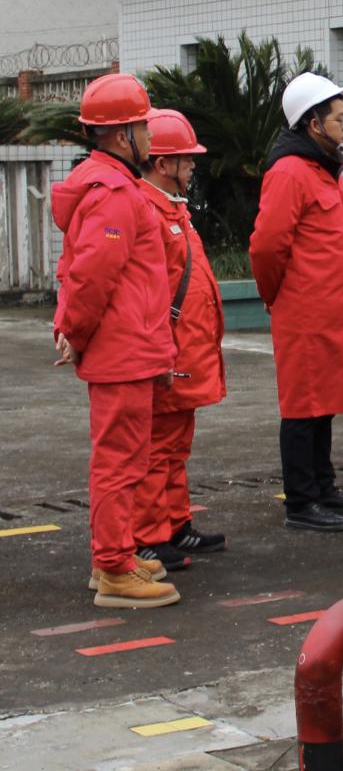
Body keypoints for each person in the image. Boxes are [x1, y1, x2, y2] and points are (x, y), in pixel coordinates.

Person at [52, 73, 179, 608]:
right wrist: (74, 331)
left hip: (126, 346)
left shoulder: (106, 184)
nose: (150, 136)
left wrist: (74, 330)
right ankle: (113, 568)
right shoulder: (115, 192)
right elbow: (91, 274)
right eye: (143, 126)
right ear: (123, 134)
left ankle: (116, 555)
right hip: (122, 349)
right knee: (120, 463)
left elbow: (86, 272)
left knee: (125, 459)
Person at [249, 72, 343, 531]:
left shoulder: (321, 169)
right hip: (304, 311)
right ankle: (301, 501)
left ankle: (323, 486)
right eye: (339, 118)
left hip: (330, 311)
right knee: (303, 406)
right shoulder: (290, 172)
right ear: (314, 124)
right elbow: (266, 246)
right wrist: (274, 294)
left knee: (325, 402)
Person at [130, 108, 227, 569]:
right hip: (168, 350)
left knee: (175, 443)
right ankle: (149, 536)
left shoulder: (172, 209)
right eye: (186, 159)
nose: (192, 166)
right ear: (162, 163)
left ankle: (174, 524)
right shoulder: (148, 210)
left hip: (186, 348)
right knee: (157, 446)